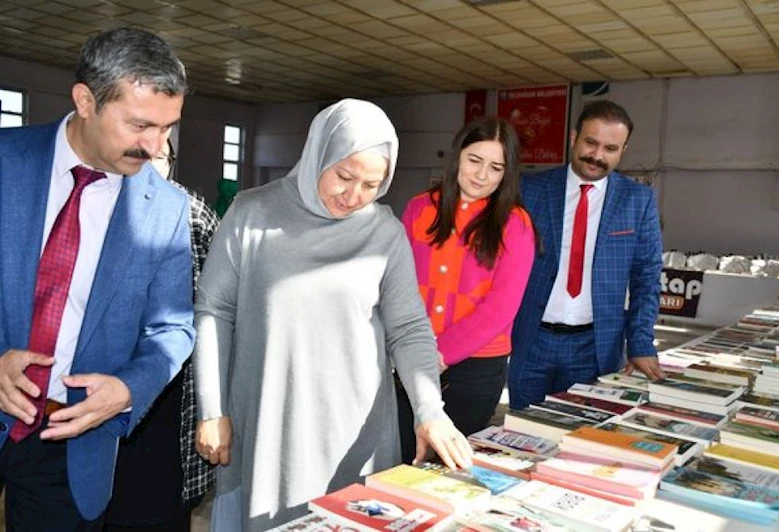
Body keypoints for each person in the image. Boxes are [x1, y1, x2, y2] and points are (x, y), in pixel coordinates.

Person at [193, 98, 472, 531]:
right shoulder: (252, 212)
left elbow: (409, 330)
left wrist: (429, 410)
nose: (353, 195)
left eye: (371, 184)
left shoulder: (384, 233)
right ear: (318, 153)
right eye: (344, 176)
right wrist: (212, 410)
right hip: (270, 417)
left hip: (354, 428)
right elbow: (214, 311)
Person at [0, 27, 195, 530]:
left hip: (70, 442)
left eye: (167, 128)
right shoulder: (5, 161)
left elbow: (173, 328)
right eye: (140, 125)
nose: (155, 147)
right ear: (86, 100)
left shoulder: (167, 208)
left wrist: (129, 389)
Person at [508, 100, 665, 410]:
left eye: (610, 148)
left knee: (582, 441)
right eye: (590, 143)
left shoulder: (638, 200)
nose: (597, 155)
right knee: (523, 431)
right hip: (532, 341)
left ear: (623, 150)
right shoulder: (529, 190)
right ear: (573, 138)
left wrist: (641, 342)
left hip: (595, 347)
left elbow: (647, 278)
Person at [396, 117, 536, 462]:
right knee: (400, 457)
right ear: (458, 156)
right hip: (411, 359)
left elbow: (501, 307)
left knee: (449, 465)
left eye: (495, 167)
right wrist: (415, 352)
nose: (481, 175)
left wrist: (439, 354)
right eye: (474, 160)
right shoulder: (419, 208)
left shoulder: (515, 223)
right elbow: (396, 284)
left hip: (476, 368)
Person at [105, 138, 219, 531]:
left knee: (160, 507)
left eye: (160, 157)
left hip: (172, 387)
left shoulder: (193, 213)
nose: (151, 167)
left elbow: (213, 306)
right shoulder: (96, 206)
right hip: (103, 382)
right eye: (140, 154)